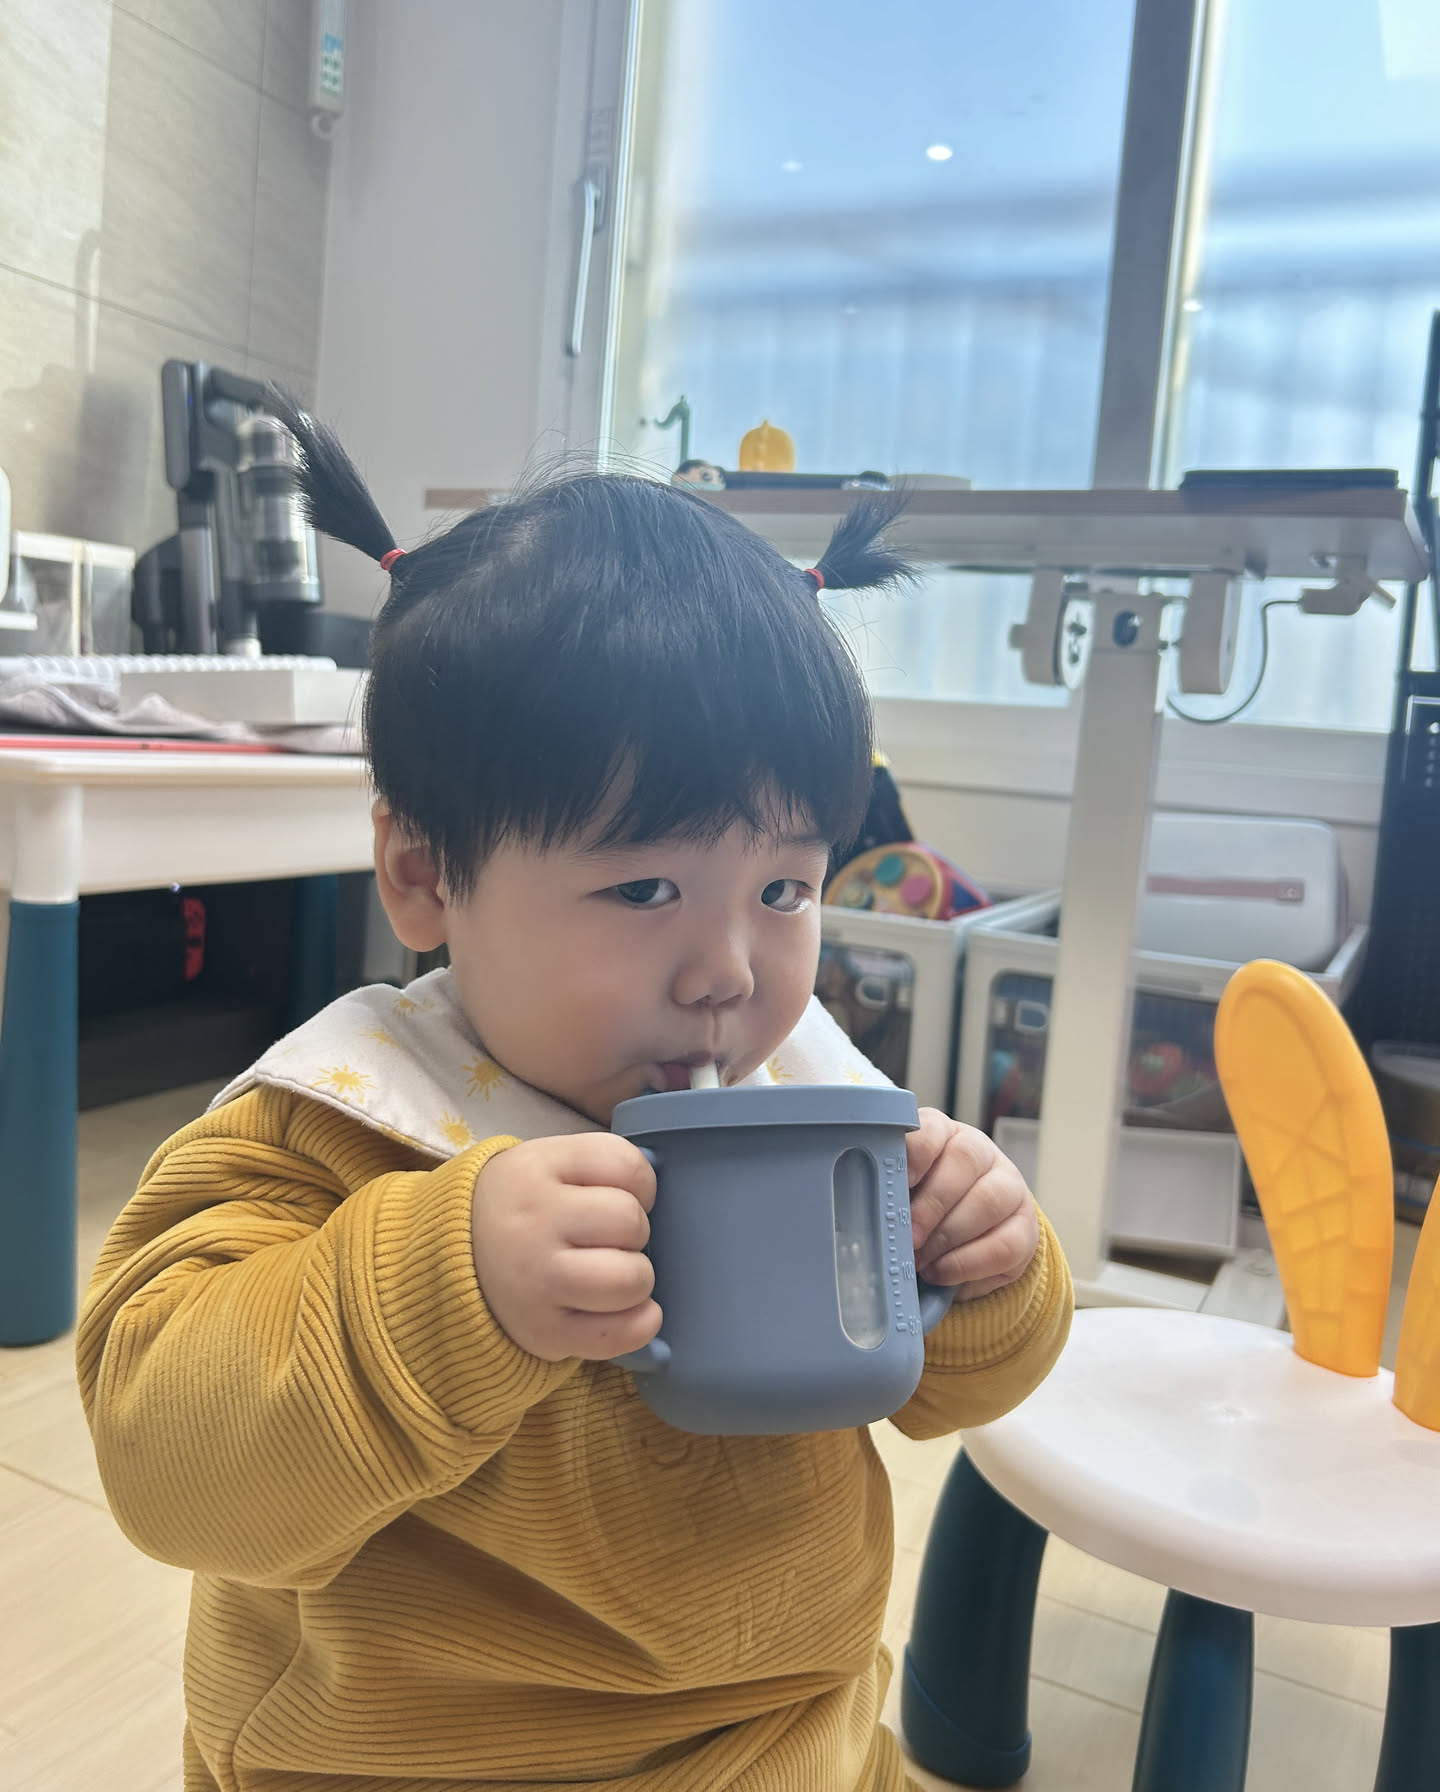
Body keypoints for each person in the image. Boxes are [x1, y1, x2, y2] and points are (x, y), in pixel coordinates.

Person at [78, 404, 1073, 1792]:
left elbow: (948, 1389)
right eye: (645, 887)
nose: (729, 970)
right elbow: (165, 1464)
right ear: (424, 876)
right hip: (414, 1767)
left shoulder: (800, 1095)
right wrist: (442, 1289)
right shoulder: (342, 1118)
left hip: (796, 1734)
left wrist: (986, 1268)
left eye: (785, 887)